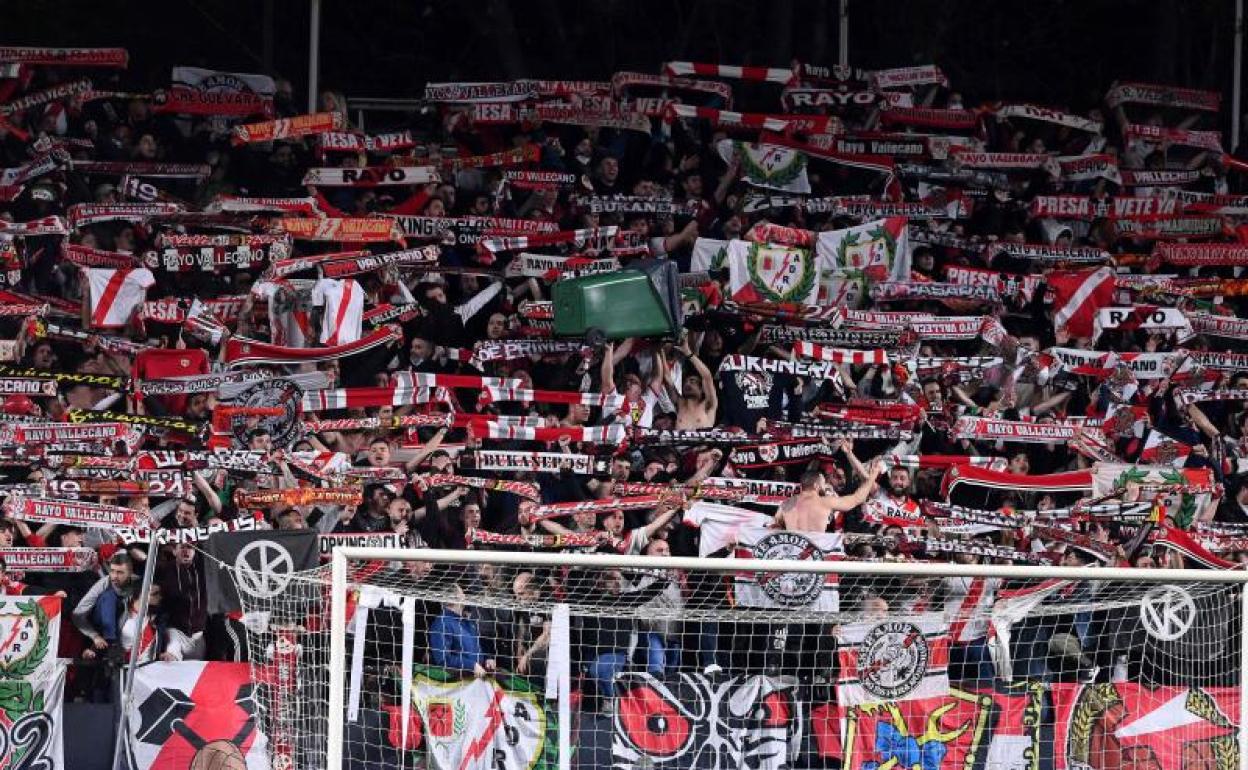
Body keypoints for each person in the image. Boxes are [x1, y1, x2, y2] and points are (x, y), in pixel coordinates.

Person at [773, 462, 885, 533]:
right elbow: (857, 499)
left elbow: (775, 527)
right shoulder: (825, 502)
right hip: (814, 553)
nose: (825, 485)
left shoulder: (785, 504)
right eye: (822, 483)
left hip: (792, 555)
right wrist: (873, 476)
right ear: (816, 485)